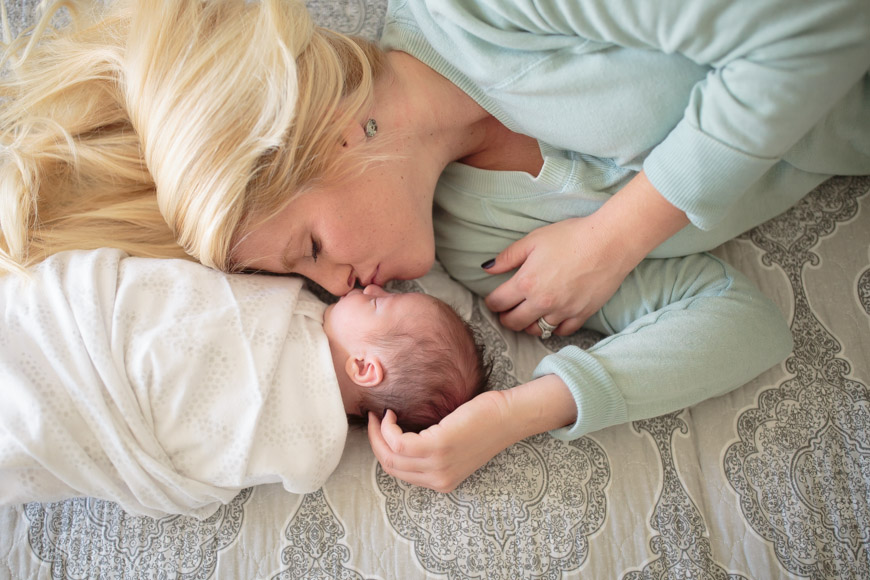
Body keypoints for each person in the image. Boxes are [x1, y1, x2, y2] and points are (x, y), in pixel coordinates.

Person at [0, 0, 865, 491]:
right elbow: (742, 323)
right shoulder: (474, 242)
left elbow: (822, 25)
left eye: (307, 246)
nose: (335, 288)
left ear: (330, 135)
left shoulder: (474, 12)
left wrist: (617, 233)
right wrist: (522, 412)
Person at [0, 248, 488, 517]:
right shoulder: (315, 452)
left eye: (381, 304)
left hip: (110, 407)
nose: (375, 287)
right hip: (107, 344)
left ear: (364, 368)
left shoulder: (314, 438)